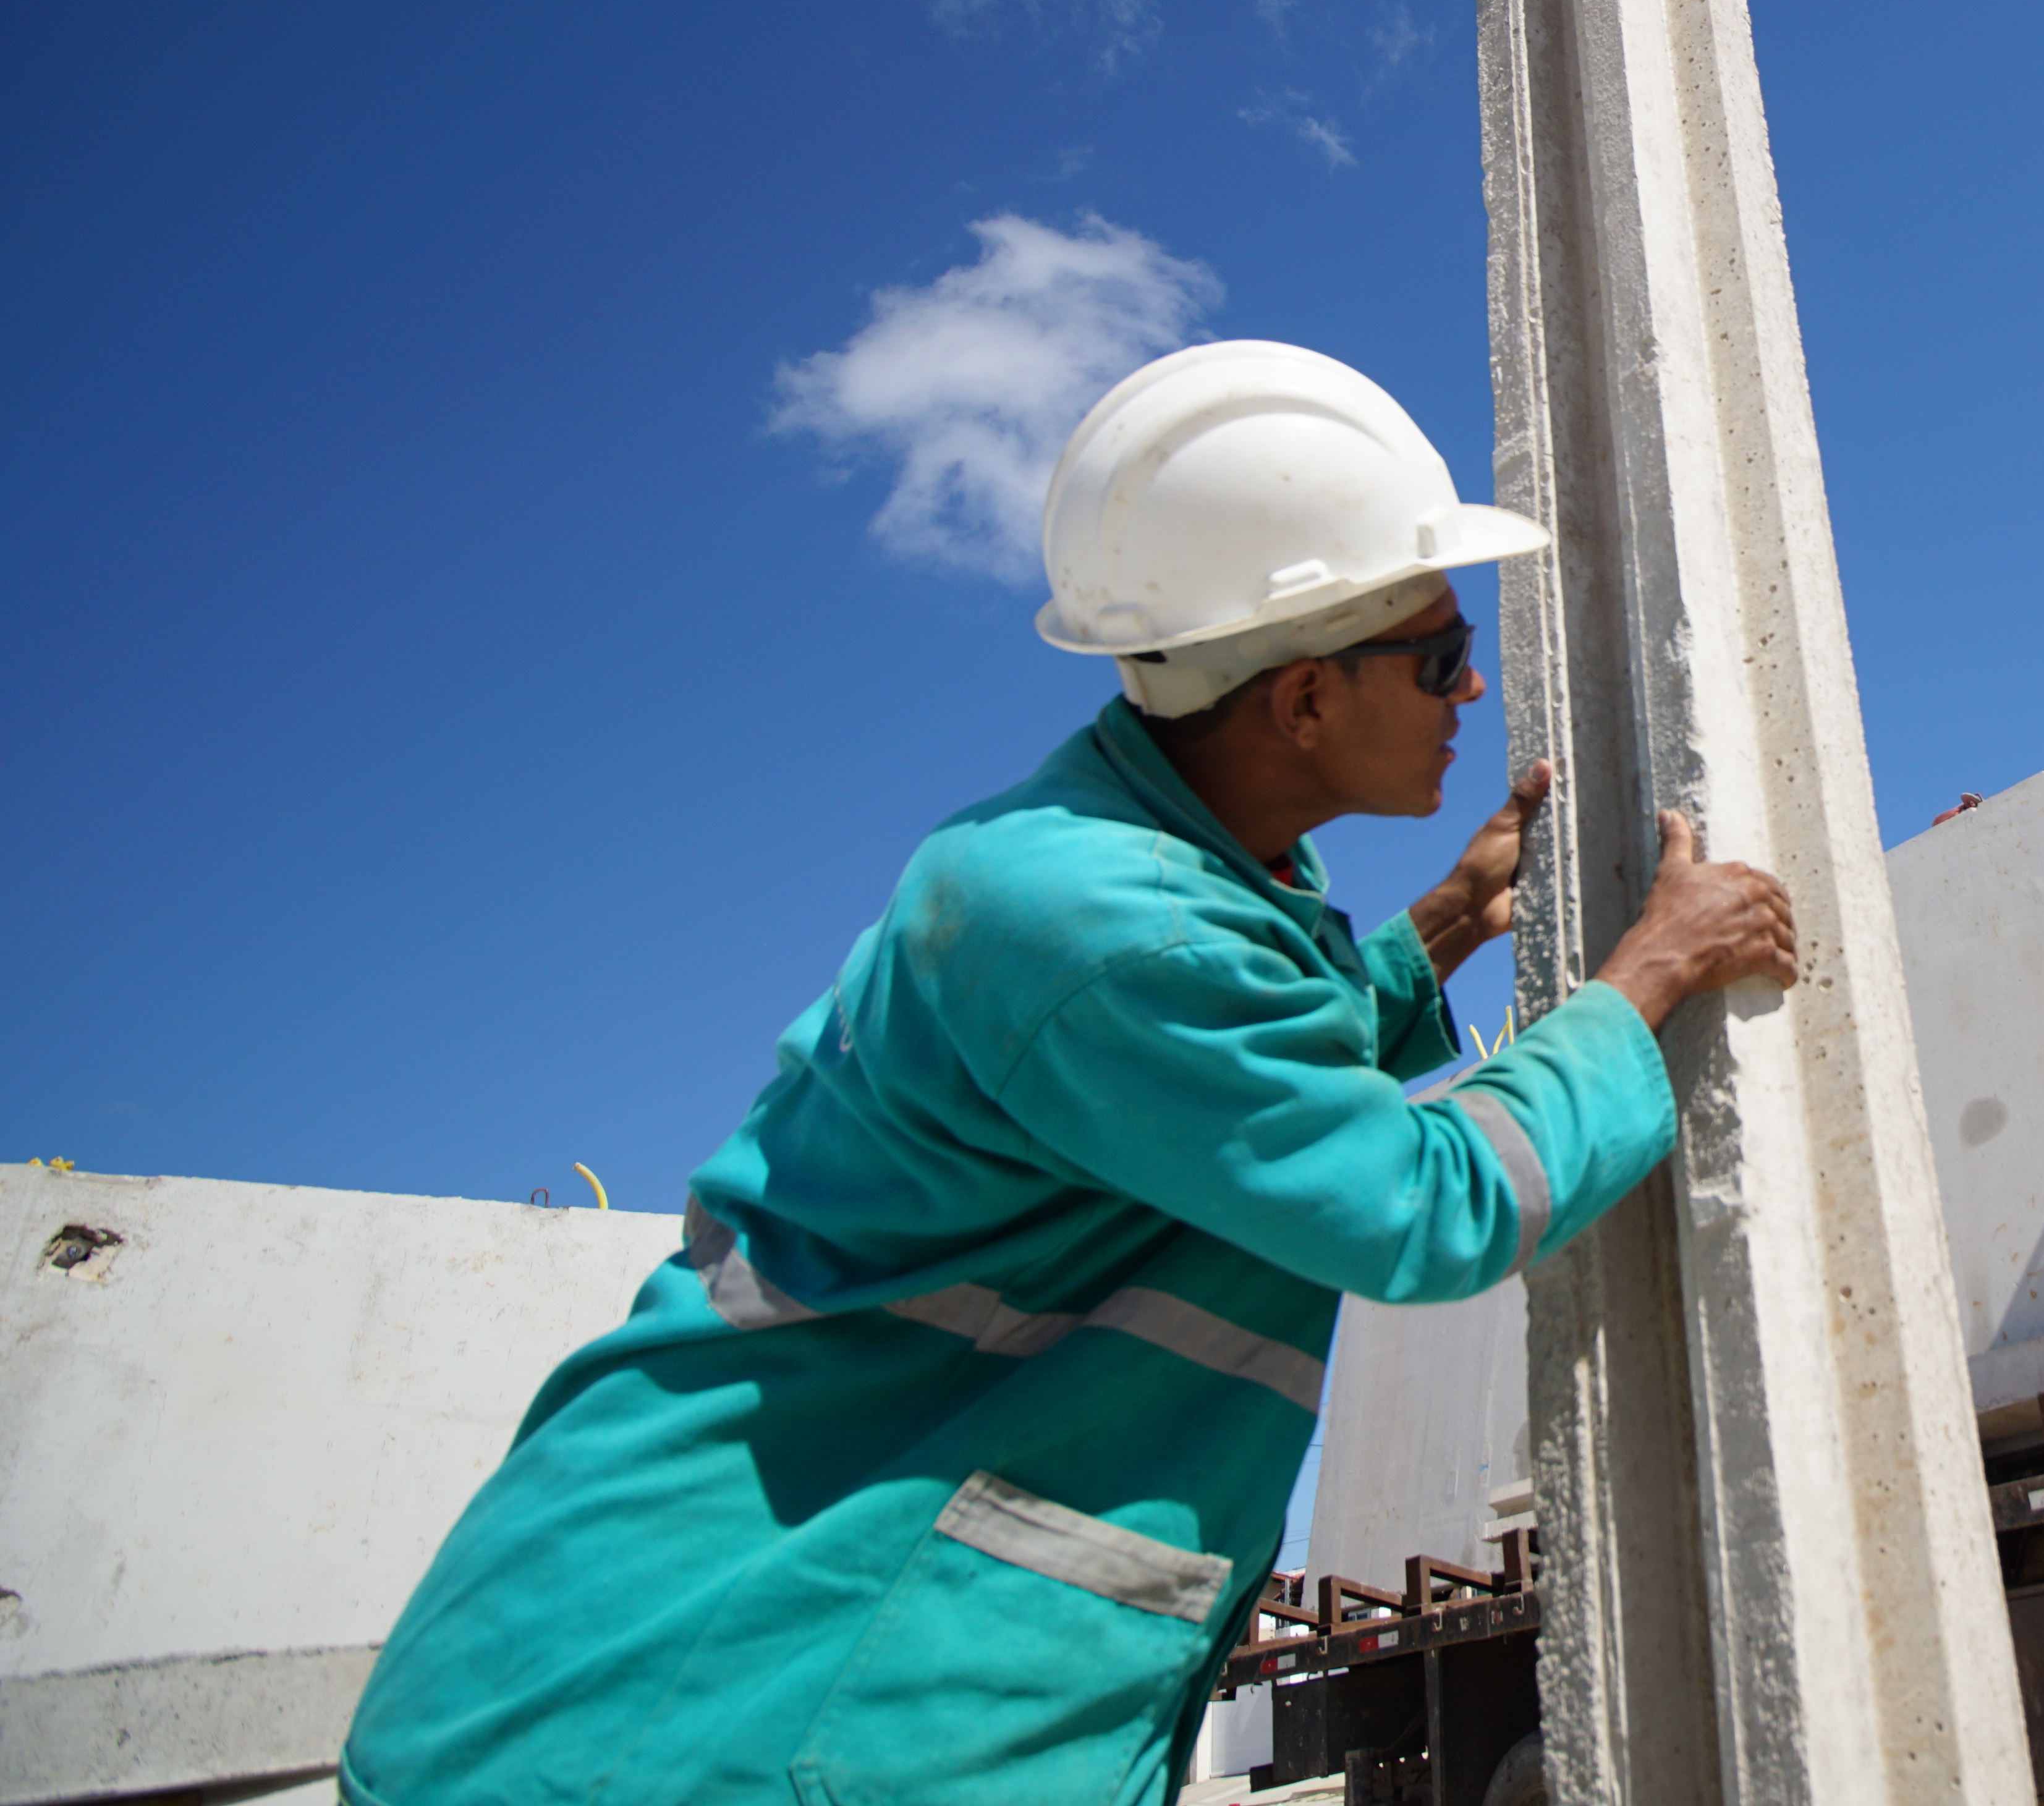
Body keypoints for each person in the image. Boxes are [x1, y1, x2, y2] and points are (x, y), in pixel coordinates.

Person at [337, 342, 1798, 1806]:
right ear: (1299, 697)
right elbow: (1425, 1209)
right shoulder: (1115, 929)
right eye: (1437, 653)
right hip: (691, 1702)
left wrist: (1437, 934)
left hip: (697, 1664)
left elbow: (1188, 1107)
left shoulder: (1123, 878)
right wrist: (1645, 979)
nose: (1474, 686)